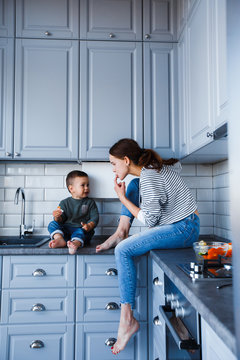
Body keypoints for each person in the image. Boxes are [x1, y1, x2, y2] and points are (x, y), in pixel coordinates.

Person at [97, 138, 200, 355]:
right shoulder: (154, 168)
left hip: (183, 228)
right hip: (186, 225)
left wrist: (122, 198)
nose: (113, 169)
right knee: (134, 184)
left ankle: (127, 319)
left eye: (114, 164)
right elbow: (174, 169)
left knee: (122, 250)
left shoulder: (149, 175)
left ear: (126, 160)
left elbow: (151, 220)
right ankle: (120, 232)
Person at [48, 170, 99, 254]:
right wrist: (57, 217)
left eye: (87, 185)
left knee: (80, 231)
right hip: (66, 231)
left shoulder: (90, 202)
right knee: (52, 224)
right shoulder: (64, 203)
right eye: (83, 185)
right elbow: (61, 220)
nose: (86, 188)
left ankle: (75, 243)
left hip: (81, 230)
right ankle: (59, 239)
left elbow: (95, 217)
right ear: (71, 188)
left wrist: (89, 225)